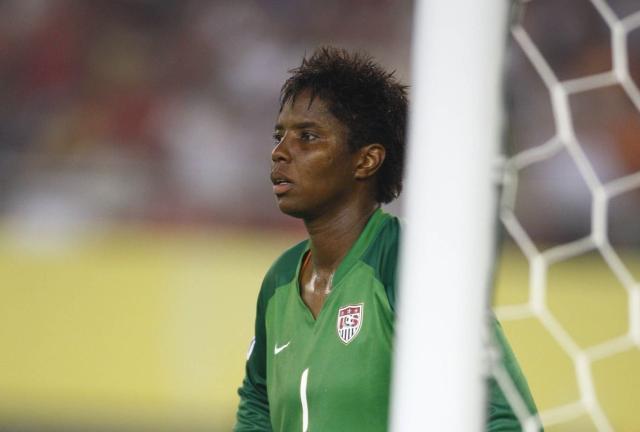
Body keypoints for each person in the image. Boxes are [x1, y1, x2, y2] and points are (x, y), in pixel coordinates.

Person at [234, 46, 539, 432]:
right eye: (279, 136)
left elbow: (506, 417)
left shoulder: (411, 265)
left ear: (366, 160)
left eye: (307, 137)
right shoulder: (280, 279)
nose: (279, 153)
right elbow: (258, 401)